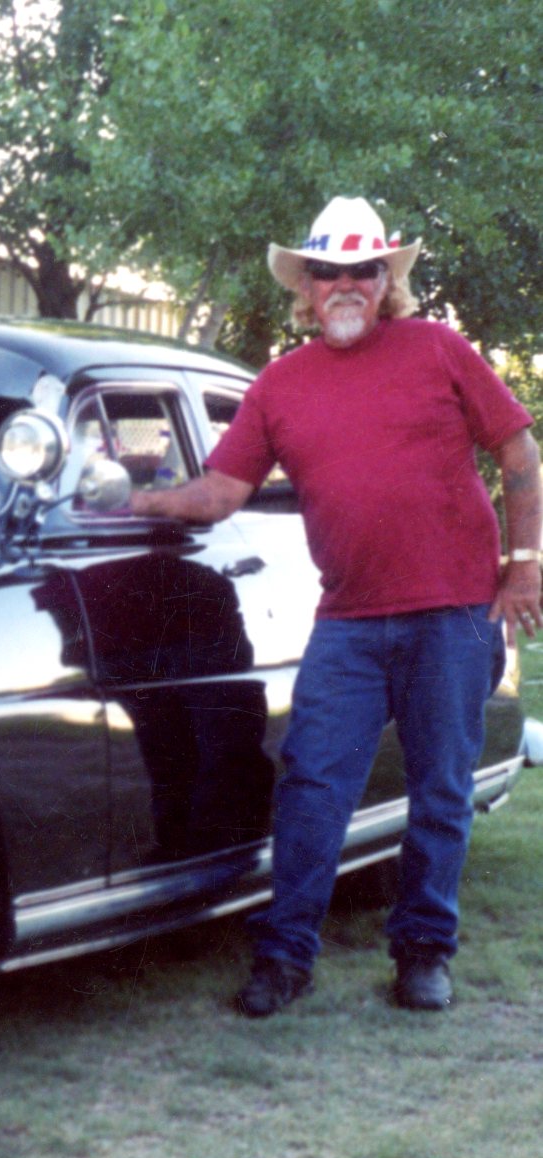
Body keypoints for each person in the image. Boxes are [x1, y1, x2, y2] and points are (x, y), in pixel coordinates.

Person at [131, 195, 542, 1016]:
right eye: (327, 272)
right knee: (313, 784)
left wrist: (524, 564)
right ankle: (284, 957)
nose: (344, 284)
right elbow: (220, 491)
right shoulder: (279, 385)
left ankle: (422, 953)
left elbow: (517, 449)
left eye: (362, 270)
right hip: (348, 623)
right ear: (306, 286)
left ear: (385, 280)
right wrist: (134, 501)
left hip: (452, 614)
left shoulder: (438, 348)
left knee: (439, 791)